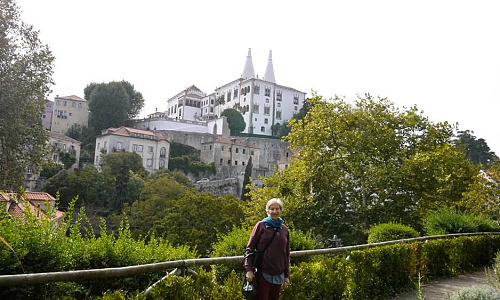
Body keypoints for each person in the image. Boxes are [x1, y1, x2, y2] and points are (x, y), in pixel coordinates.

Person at [244, 198, 290, 300]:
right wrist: (249, 270)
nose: (274, 211)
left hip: (278, 274)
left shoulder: (284, 230)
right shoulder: (261, 226)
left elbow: (286, 254)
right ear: (267, 211)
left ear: (281, 210)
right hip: (263, 273)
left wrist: (286, 276)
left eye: (277, 208)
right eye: (272, 209)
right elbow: (249, 249)